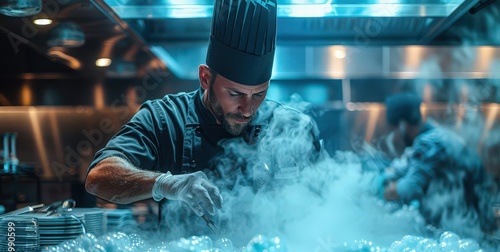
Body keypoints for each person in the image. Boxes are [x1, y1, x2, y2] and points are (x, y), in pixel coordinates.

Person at [85, 0, 324, 239]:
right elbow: (99, 177)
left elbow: (327, 205)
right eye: (235, 94)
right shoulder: (165, 118)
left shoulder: (292, 127)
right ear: (205, 78)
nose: (248, 109)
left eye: (259, 94)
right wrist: (166, 184)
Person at [377, 92, 496, 238]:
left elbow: (410, 187)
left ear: (403, 125)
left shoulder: (431, 142)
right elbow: (406, 168)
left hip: (465, 231)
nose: (392, 138)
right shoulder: (436, 137)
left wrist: (385, 192)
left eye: (392, 130)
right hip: (467, 228)